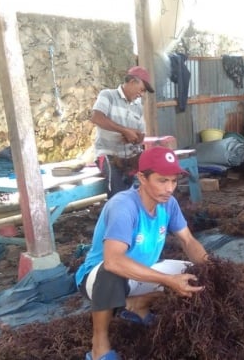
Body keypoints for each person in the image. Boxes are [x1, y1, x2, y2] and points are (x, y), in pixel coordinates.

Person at [75, 147, 210, 360]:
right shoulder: (124, 206)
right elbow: (112, 261)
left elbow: (188, 240)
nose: (169, 188)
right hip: (99, 279)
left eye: (173, 181)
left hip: (140, 273)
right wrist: (168, 280)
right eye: (162, 180)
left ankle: (137, 306)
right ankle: (99, 345)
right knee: (112, 272)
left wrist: (210, 266)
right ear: (142, 178)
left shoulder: (169, 204)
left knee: (193, 272)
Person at [91, 66, 155, 198]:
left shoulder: (138, 106)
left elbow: (141, 136)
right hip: (109, 155)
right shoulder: (108, 95)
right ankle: (119, 215)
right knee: (118, 194)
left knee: (148, 187)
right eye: (142, 89)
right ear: (132, 82)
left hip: (131, 156)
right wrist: (124, 131)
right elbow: (96, 117)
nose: (141, 94)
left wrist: (135, 137)